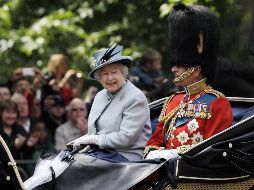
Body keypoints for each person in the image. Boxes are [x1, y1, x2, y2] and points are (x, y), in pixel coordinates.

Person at [25, 44, 152, 190]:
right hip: (100, 154)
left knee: (72, 169)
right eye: (104, 74)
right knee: (54, 164)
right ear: (99, 78)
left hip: (126, 158)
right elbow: (93, 132)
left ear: (123, 73)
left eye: (114, 72)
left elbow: (126, 138)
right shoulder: (99, 96)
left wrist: (94, 139)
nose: (109, 78)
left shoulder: (135, 97)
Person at [144, 3, 233, 161]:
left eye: (179, 65)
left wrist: (176, 154)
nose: (173, 69)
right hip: (162, 168)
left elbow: (212, 149)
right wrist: (154, 152)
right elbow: (156, 140)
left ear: (196, 69)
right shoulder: (173, 100)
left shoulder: (217, 102)